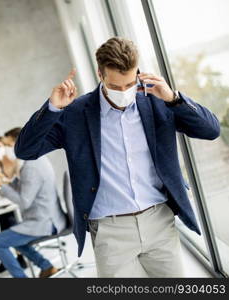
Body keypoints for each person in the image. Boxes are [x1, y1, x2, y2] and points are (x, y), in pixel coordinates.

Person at [13, 37, 221, 277]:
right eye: (116, 86)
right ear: (100, 74)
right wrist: (52, 109)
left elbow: (211, 130)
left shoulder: (158, 101)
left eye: (130, 84)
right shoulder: (75, 114)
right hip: (110, 232)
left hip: (159, 222)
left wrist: (174, 98)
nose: (124, 92)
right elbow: (25, 150)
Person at [0, 127, 67, 278]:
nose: (6, 150)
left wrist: (0, 185)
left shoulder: (32, 166)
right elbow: (26, 189)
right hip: (46, 218)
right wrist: (3, 182)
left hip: (46, 222)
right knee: (14, 234)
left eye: (8, 145)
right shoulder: (33, 160)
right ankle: (46, 266)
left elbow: (24, 202)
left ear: (20, 143)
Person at [0, 136, 27, 273]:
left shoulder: (15, 163)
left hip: (22, 203)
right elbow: (2, 193)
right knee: (4, 218)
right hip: (8, 203)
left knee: (9, 220)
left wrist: (1, 180)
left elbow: (18, 187)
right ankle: (15, 256)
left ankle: (14, 256)